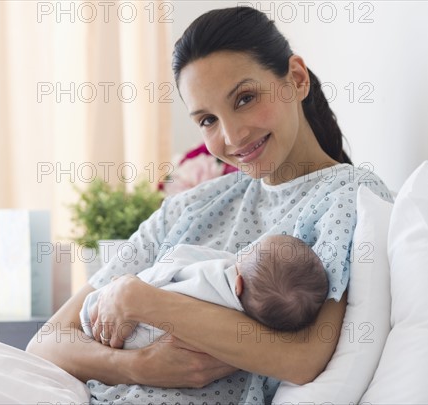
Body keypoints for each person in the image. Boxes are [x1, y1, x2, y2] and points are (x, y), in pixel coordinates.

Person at [26, 5, 392, 404]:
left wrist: (144, 301)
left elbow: (303, 356)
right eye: (207, 120)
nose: (232, 136)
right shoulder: (191, 207)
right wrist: (139, 365)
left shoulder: (346, 196)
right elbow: (48, 342)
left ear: (297, 80)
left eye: (245, 98)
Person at [80, 234, 328, 351]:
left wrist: (128, 285)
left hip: (107, 318)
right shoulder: (248, 328)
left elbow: (178, 258)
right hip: (144, 345)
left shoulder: (221, 271)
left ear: (238, 284)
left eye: (248, 252)